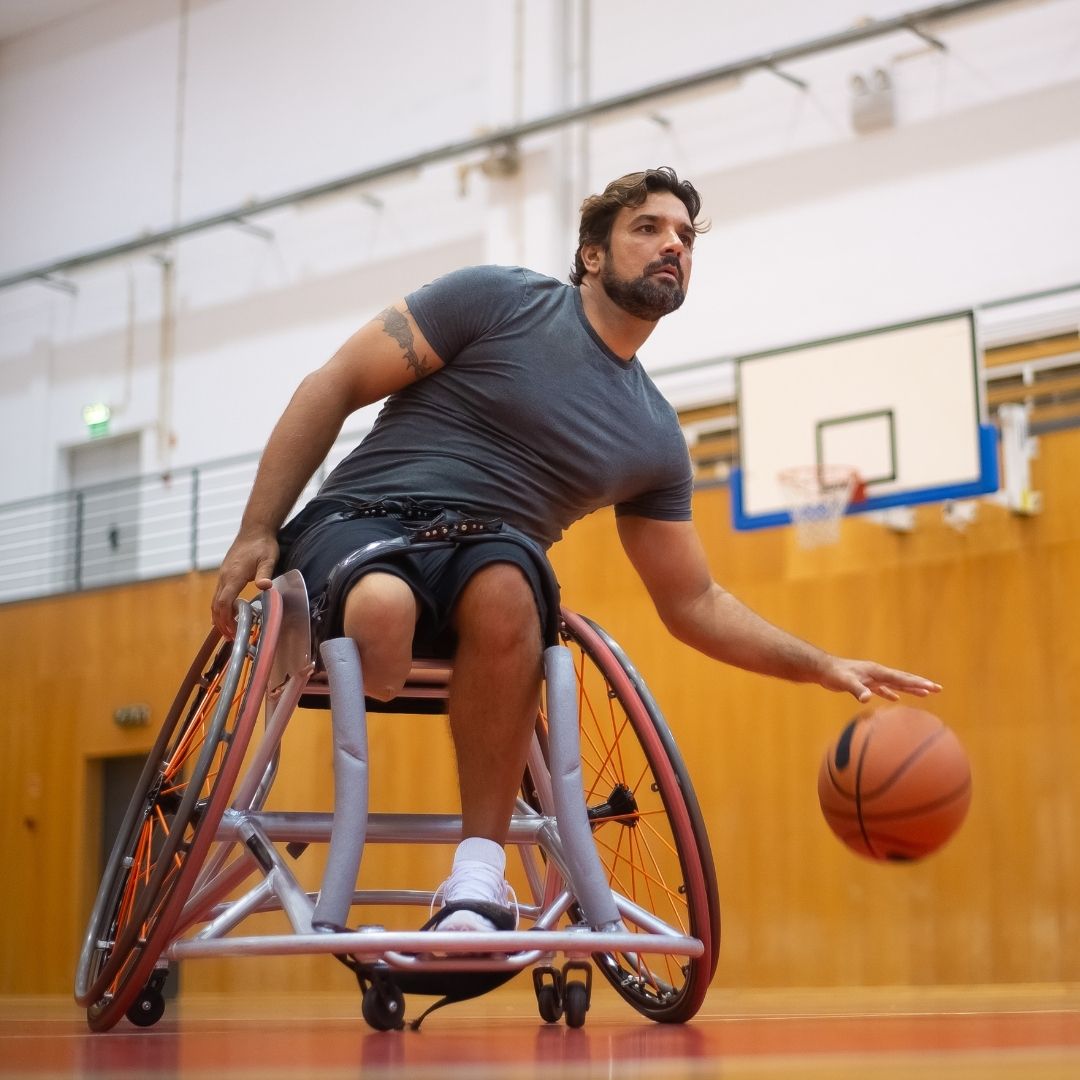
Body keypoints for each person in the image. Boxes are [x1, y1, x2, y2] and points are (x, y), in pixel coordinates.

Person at [212, 166, 940, 934]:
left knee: (513, 587)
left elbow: (694, 601)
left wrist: (820, 664)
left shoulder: (653, 435)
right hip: (363, 519)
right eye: (649, 229)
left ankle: (476, 880)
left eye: (686, 237)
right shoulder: (495, 300)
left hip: (489, 558)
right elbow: (334, 383)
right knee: (384, 616)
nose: (673, 246)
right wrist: (257, 528)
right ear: (592, 254)